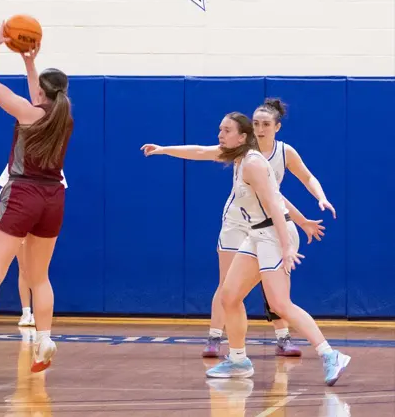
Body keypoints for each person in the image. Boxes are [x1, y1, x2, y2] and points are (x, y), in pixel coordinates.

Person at [143, 112, 350, 385]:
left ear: (242, 137)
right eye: (220, 129)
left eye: (226, 130)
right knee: (229, 295)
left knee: (280, 304)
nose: (220, 135)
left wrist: (288, 247)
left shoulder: (253, 163)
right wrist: (163, 150)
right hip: (257, 234)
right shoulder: (239, 157)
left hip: (275, 235)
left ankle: (329, 354)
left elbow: (276, 206)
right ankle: (238, 360)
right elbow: (200, 151)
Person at [0, 23, 71, 374]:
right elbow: (40, 94)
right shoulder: (64, 117)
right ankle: (45, 337)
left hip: (23, 193)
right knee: (40, 277)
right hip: (54, 198)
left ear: (42, 94)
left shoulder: (28, 113)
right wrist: (30, 63)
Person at [0, 166, 67, 327]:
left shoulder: (54, 162)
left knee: (39, 272)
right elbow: (4, 189)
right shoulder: (17, 162)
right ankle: (26, 311)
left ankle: (40, 317)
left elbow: (60, 191)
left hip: (42, 222)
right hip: (20, 218)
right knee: (23, 268)